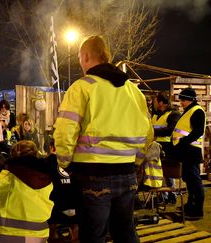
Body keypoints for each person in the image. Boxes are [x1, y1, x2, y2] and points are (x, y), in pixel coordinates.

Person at [53, 36, 152, 243]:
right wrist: (136, 161)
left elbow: (65, 130)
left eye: (80, 58)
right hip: (127, 174)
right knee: (125, 232)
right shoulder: (134, 91)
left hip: (92, 175)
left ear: (86, 56)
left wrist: (63, 162)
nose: (80, 62)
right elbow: (147, 133)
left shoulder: (82, 86)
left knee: (93, 235)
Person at [0, 140, 53, 242]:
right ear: (36, 154)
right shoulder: (47, 178)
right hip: (35, 238)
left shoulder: (3, 173)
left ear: (13, 154)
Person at [172, 87, 206, 220]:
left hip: (191, 151)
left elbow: (198, 131)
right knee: (189, 181)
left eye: (183, 100)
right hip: (186, 152)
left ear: (191, 100)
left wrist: (183, 142)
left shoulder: (197, 111)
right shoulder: (189, 111)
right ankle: (190, 205)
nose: (181, 102)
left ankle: (197, 210)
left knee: (194, 182)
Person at [152, 91, 181, 203]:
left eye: (155, 101)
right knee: (158, 172)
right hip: (155, 147)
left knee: (168, 173)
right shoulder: (156, 115)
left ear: (161, 102)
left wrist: (152, 131)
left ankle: (172, 195)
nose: (154, 103)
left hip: (167, 146)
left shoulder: (173, 114)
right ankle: (162, 196)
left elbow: (170, 130)